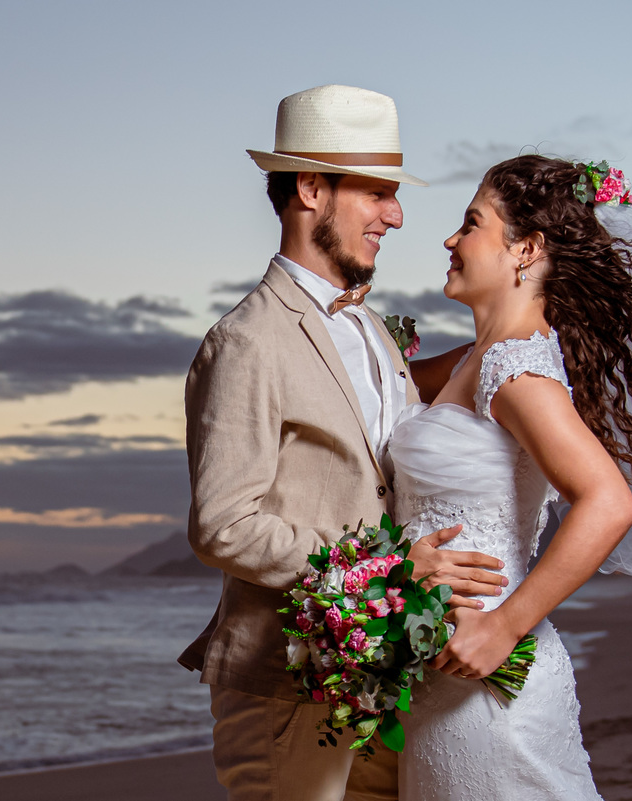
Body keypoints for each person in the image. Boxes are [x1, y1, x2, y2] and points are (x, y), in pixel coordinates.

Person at [179, 85, 507, 801]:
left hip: (377, 681)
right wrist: (392, 569)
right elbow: (223, 525)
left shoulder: (367, 328)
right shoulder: (247, 341)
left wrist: (510, 338)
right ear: (310, 188)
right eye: (377, 194)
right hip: (283, 689)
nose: (395, 215)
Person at [386, 154, 632, 800]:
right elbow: (383, 380)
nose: (450, 240)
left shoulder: (515, 371)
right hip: (441, 677)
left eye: (471, 224)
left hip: (486, 679)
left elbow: (608, 502)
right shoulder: (476, 357)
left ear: (526, 248)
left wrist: (502, 626)